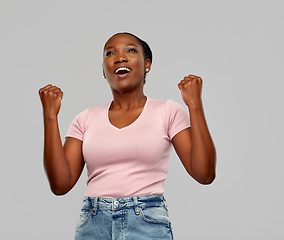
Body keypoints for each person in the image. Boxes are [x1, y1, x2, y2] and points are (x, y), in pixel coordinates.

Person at [38, 32, 216, 239]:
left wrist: (195, 104)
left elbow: (204, 174)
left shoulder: (167, 111)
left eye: (131, 50)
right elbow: (60, 184)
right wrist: (50, 116)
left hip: (147, 222)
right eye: (110, 53)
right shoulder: (85, 119)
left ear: (147, 64)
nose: (119, 57)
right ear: (104, 71)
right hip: (94, 224)